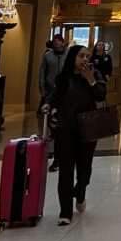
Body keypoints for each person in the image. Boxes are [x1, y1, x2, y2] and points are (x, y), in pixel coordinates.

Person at [45, 44, 106, 226]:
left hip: (87, 129)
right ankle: (65, 212)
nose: (85, 59)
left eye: (87, 56)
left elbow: (100, 96)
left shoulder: (94, 75)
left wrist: (91, 80)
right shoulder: (63, 78)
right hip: (66, 129)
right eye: (81, 56)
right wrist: (48, 104)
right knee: (65, 171)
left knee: (84, 169)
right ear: (72, 58)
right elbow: (54, 96)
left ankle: (80, 192)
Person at [38, 34, 67, 171]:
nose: (57, 44)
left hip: (65, 93)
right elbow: (42, 71)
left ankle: (60, 157)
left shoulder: (68, 55)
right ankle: (53, 131)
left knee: (61, 125)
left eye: (59, 41)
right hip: (51, 91)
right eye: (55, 42)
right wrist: (42, 88)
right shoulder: (47, 56)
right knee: (52, 119)